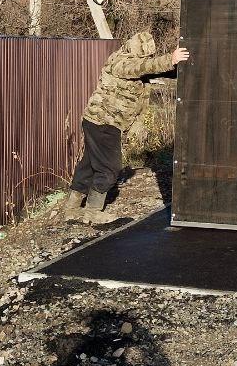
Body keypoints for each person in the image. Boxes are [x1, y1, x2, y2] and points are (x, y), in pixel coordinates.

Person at [63, 31, 189, 225]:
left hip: (96, 121)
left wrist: (176, 66)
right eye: (145, 55)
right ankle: (92, 212)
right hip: (105, 122)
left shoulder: (129, 59)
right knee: (110, 168)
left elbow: (148, 70)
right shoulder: (120, 62)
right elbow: (139, 68)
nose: (146, 58)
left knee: (88, 165)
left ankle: (71, 209)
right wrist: (169, 59)